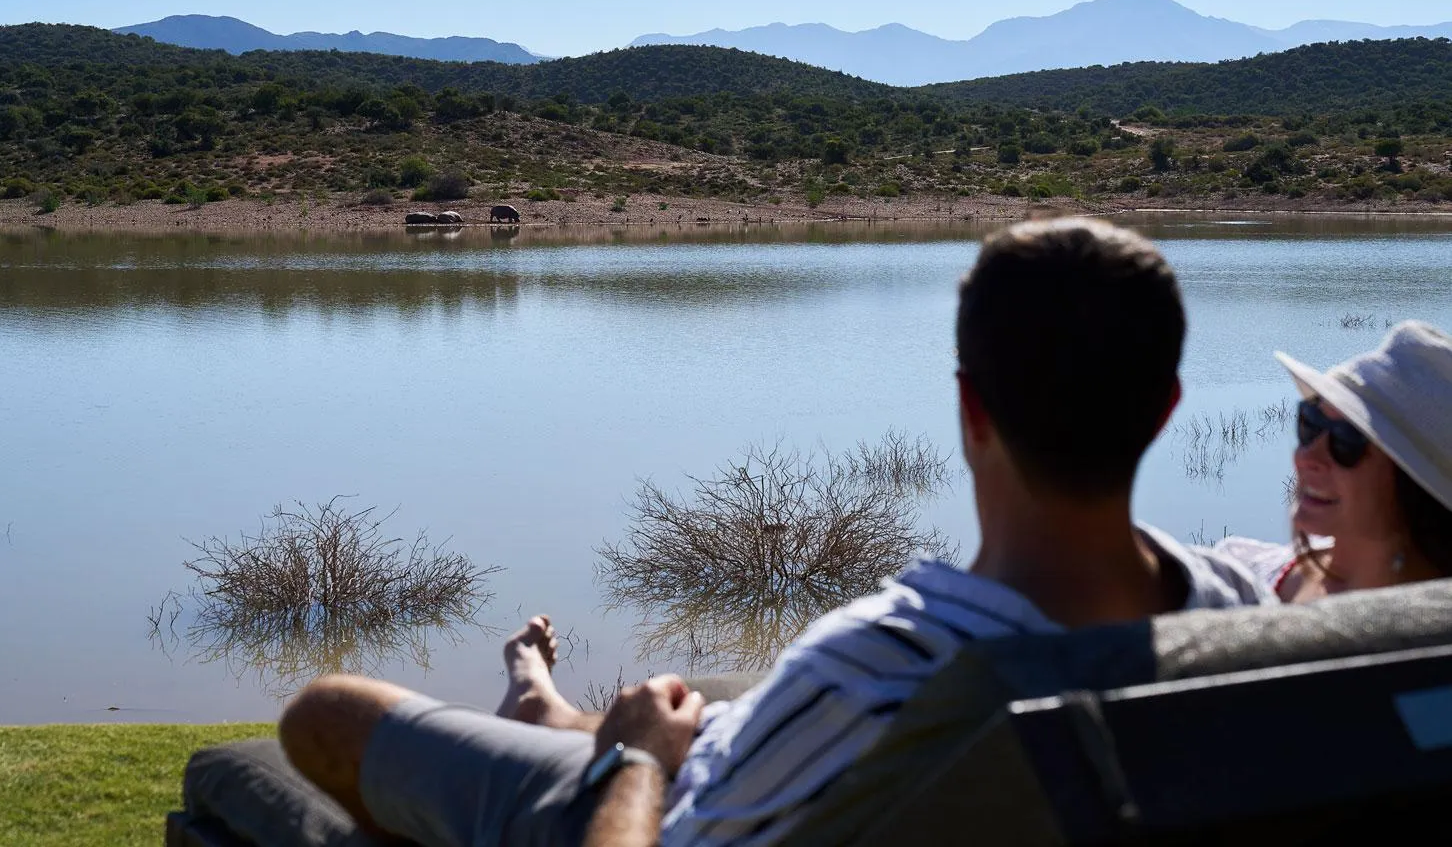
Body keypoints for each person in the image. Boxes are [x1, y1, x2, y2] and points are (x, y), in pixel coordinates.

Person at [278, 217, 1272, 847]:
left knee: (326, 710)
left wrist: (635, 766)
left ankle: (560, 718)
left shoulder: (881, 668)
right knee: (691, 704)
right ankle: (539, 702)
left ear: (971, 410)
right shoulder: (1236, 624)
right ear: (1166, 408)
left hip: (658, 804)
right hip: (771, 758)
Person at [1217, 320, 1452, 602]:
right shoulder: (1234, 578)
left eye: (1346, 441)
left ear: (1413, 485)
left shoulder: (1428, 630)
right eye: (1311, 423)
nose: (1305, 457)